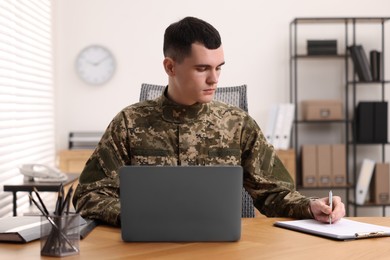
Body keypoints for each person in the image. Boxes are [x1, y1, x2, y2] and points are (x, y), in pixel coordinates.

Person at [72, 16, 345, 227]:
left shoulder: (238, 125)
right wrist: (135, 216)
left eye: (218, 68)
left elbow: (273, 193)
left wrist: (311, 207)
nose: (214, 79)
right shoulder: (129, 123)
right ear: (170, 67)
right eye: (202, 68)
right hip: (147, 246)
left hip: (221, 248)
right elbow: (87, 195)